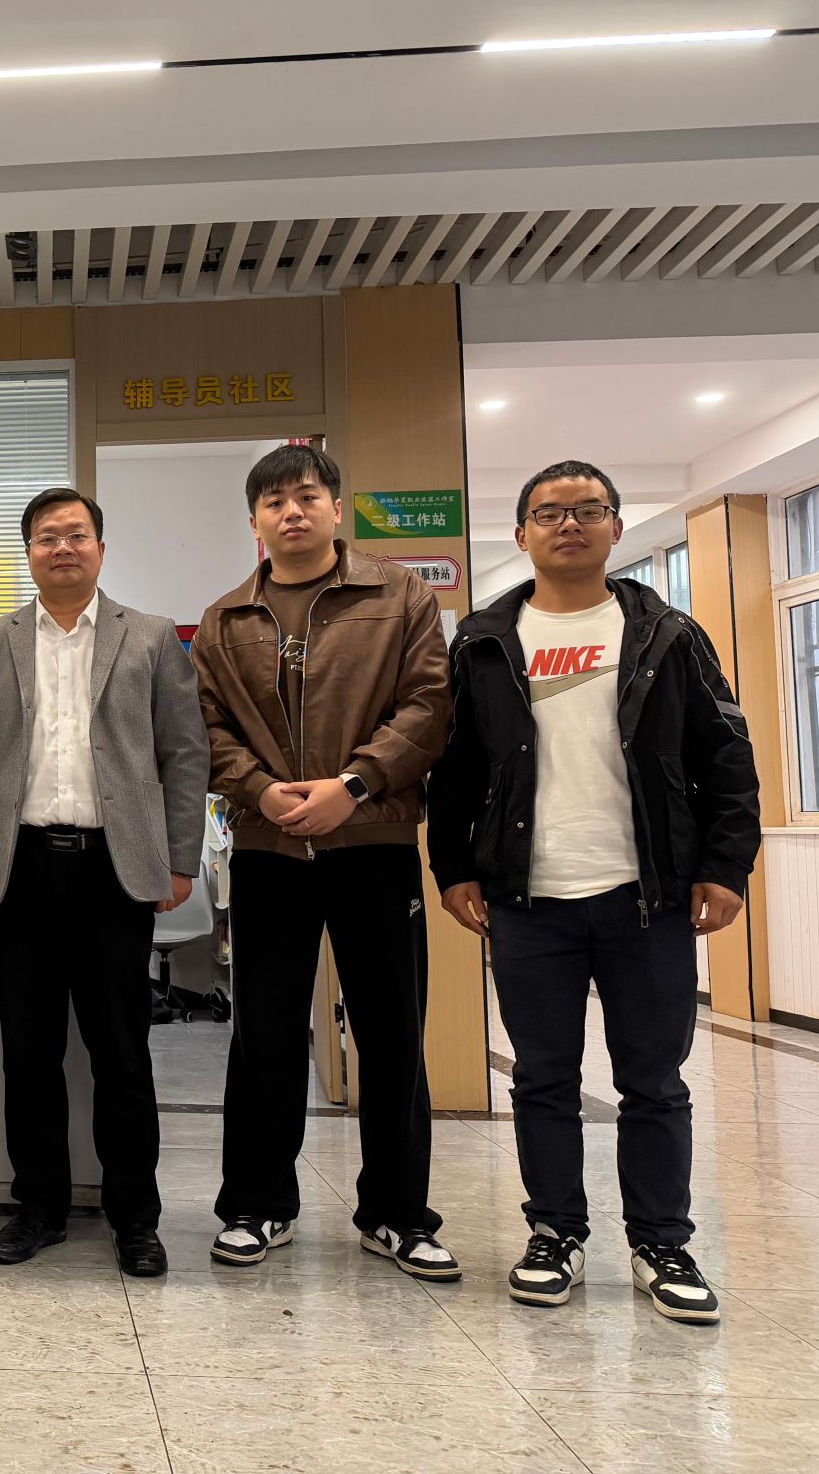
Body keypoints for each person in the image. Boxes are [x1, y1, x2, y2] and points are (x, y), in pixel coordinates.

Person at [429, 460, 759, 1323]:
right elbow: (454, 769)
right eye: (549, 513)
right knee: (543, 1078)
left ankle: (662, 1243)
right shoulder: (485, 640)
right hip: (528, 895)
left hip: (646, 894)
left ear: (615, 527)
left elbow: (725, 754)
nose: (568, 524)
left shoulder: (667, 634)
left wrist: (726, 866)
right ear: (521, 534)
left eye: (588, 510)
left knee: (654, 1081)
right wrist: (453, 867)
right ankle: (555, 1234)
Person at [193, 442, 458, 1280]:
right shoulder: (225, 619)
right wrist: (260, 790)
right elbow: (205, 729)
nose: (292, 512)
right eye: (274, 502)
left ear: (336, 509)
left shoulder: (400, 595)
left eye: (306, 496)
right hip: (268, 847)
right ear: (255, 521)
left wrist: (355, 783)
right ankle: (256, 1204)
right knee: (264, 1033)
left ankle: (398, 1213)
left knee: (391, 1032)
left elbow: (430, 704)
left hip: (373, 840)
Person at [0, 487, 208, 1278]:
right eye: (46, 537)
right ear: (28, 552)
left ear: (100, 547)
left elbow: (185, 753)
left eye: (76, 535)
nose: (62, 547)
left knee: (121, 1052)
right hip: (20, 868)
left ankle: (135, 1218)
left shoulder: (150, 637)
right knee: (29, 1052)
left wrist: (180, 858)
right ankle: (39, 1208)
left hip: (113, 871)